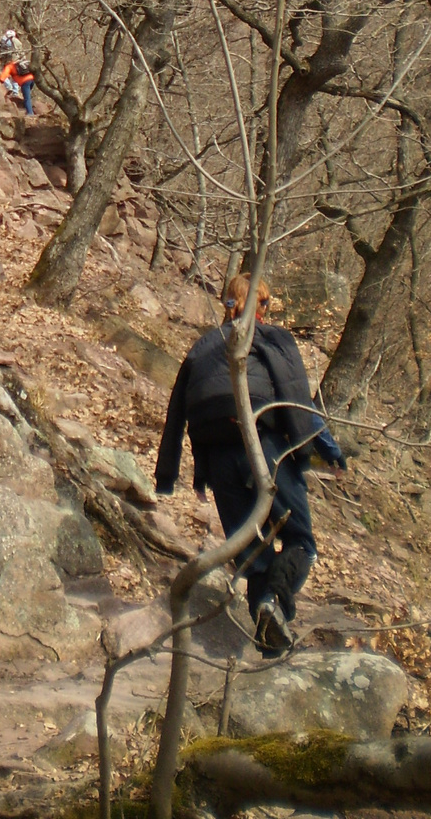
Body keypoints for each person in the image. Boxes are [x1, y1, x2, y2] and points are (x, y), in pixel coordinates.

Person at [154, 273, 347, 656]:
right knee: (301, 542)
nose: (268, 311)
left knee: (252, 554)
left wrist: (170, 475)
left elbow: (177, 413)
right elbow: (297, 399)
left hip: (219, 460)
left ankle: (267, 631)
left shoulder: (202, 346)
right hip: (268, 450)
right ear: (259, 306)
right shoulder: (272, 338)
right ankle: (273, 602)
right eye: (266, 303)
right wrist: (327, 448)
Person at [0, 36, 36, 115]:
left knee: (26, 98)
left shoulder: (9, 66)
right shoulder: (21, 61)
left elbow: (2, 78)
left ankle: (30, 113)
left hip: (25, 82)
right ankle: (28, 108)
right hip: (32, 79)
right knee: (27, 94)